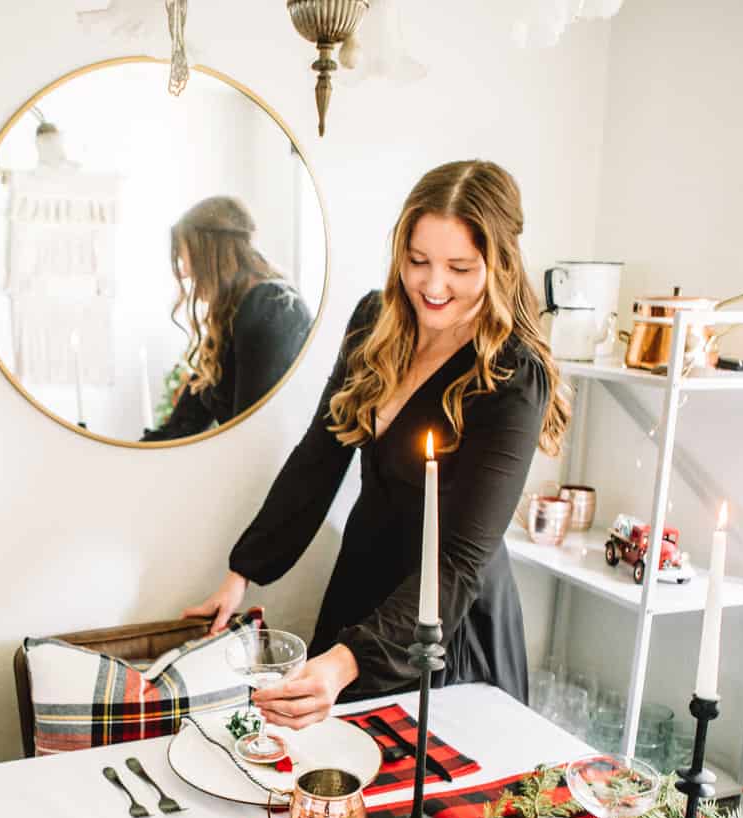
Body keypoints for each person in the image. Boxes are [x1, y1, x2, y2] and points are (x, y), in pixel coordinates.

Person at [184, 160, 569, 728]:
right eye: (418, 261)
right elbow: (320, 456)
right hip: (361, 590)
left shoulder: (514, 375)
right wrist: (243, 570)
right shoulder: (375, 321)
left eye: (459, 268)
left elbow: (459, 560)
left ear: (500, 264)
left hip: (447, 622)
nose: (433, 287)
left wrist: (347, 662)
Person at [143, 197, 313, 441]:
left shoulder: (270, 306)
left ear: (209, 252)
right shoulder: (231, 317)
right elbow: (183, 425)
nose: (183, 271)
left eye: (184, 257)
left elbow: (251, 433)